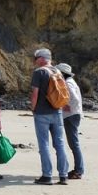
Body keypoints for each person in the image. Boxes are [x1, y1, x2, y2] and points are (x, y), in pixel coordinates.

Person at [31, 48, 69, 185]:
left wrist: (33, 108)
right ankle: (63, 175)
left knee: (44, 144)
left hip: (42, 113)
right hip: (57, 111)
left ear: (41, 59)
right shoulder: (58, 71)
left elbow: (35, 93)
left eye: (36, 59)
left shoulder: (39, 72)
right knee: (59, 143)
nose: (35, 61)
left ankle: (47, 175)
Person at [57, 63, 84, 180]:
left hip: (71, 115)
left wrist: (67, 105)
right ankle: (78, 169)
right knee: (73, 143)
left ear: (62, 73)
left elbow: (75, 99)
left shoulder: (68, 83)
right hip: (74, 114)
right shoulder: (71, 82)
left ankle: (79, 170)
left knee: (74, 144)